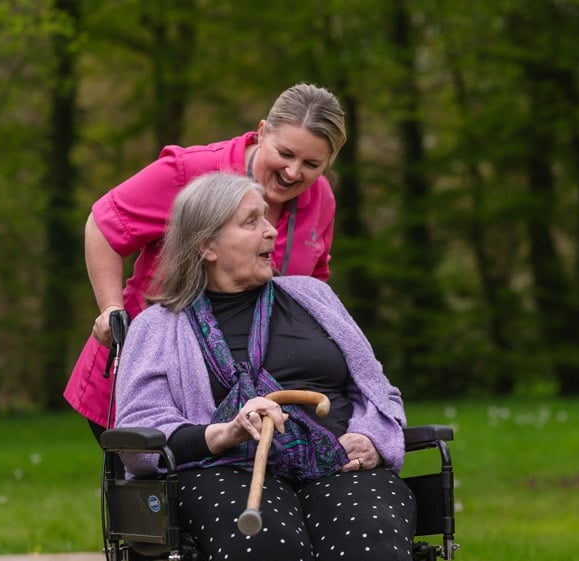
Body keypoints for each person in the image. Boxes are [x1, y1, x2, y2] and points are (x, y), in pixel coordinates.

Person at [114, 172, 414, 561]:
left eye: (268, 219)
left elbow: (378, 392)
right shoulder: (158, 326)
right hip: (222, 472)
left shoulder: (314, 296)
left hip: (337, 465)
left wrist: (371, 438)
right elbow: (137, 441)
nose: (271, 232)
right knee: (268, 546)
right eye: (251, 222)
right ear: (207, 245)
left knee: (371, 541)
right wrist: (227, 432)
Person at [64, 83, 347, 438]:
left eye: (311, 164)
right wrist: (110, 308)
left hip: (250, 392)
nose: (292, 172)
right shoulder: (190, 171)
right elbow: (105, 225)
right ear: (262, 133)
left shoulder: (320, 198)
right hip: (150, 375)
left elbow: (312, 286)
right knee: (158, 487)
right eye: (285, 153)